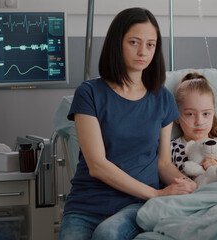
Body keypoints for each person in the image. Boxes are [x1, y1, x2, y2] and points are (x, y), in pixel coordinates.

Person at [59, 8, 196, 240]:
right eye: (134, 42)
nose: (143, 51)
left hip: (136, 204)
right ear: (117, 43)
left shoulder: (161, 98)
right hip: (86, 204)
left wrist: (188, 185)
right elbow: (97, 165)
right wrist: (156, 193)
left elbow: (163, 163)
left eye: (151, 44)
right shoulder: (90, 93)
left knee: (107, 234)